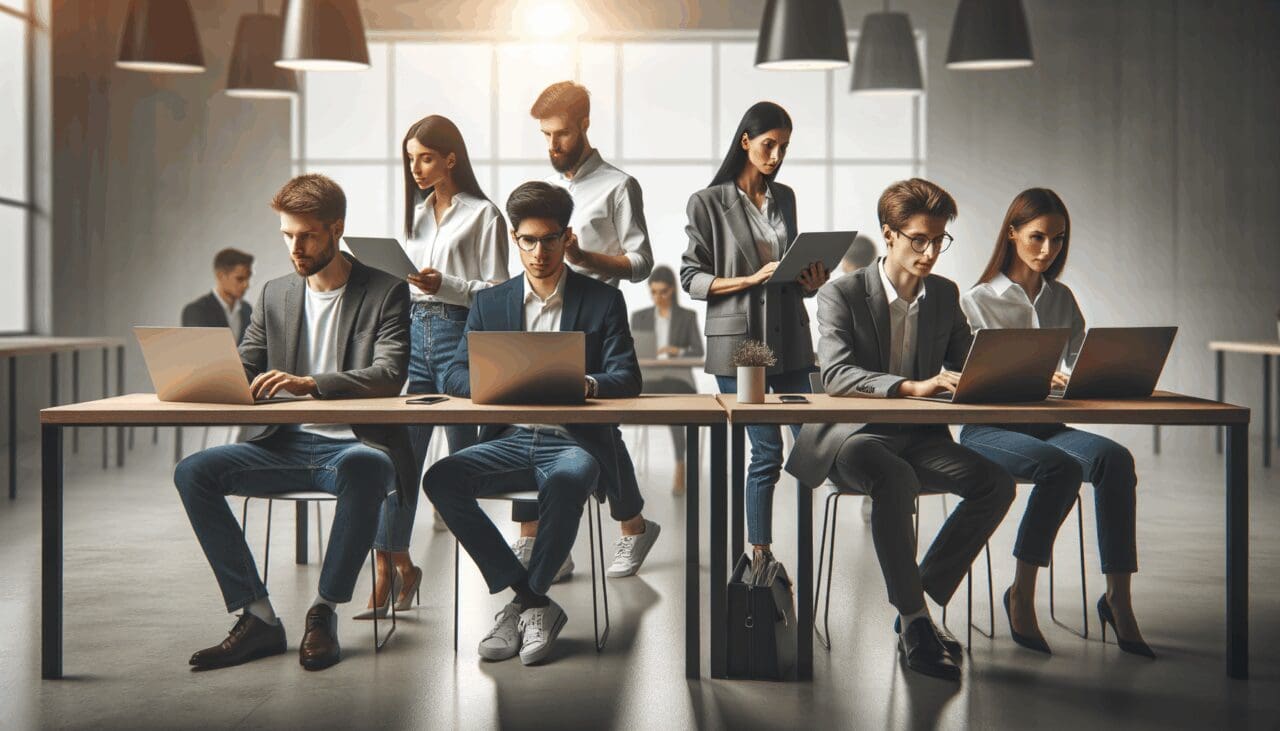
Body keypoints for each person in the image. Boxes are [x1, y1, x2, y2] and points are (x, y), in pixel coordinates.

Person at [173, 174, 414, 672]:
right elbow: (246, 364)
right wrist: (200, 376)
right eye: (287, 235)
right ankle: (258, 616)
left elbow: (389, 375)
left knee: (368, 467)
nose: (295, 248)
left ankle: (323, 612)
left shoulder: (385, 291)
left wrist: (310, 384)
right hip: (280, 446)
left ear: (336, 229)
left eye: (306, 236)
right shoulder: (274, 294)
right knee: (193, 472)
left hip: (353, 448)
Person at [784, 178, 1015, 682]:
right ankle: (914, 622)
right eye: (919, 240)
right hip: (852, 436)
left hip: (919, 437)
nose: (930, 252)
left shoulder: (944, 295)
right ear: (888, 234)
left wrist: (1022, 368)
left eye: (939, 240)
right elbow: (837, 374)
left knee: (995, 483)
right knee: (894, 479)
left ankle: (918, 600)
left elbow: (968, 361)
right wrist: (912, 386)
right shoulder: (841, 293)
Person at [425, 181, 642, 666]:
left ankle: (522, 606)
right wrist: (502, 380)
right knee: (440, 479)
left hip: (573, 444)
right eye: (528, 240)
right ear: (514, 239)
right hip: (509, 438)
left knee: (566, 481)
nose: (539, 252)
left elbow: (627, 376)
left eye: (549, 240)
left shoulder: (602, 300)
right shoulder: (490, 303)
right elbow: (454, 374)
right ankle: (533, 600)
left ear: (567, 238)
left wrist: (586, 383)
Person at [958, 188, 1151, 658]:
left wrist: (1096, 373)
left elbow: (1082, 363)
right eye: (1037, 237)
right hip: (989, 430)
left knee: (1115, 460)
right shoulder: (975, 301)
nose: (1048, 250)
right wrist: (1037, 375)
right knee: (1057, 468)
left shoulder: (1061, 299)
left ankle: (1118, 599)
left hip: (1048, 425)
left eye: (1058, 239)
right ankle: (1021, 593)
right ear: (1012, 234)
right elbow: (968, 380)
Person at [359, 115, 509, 620]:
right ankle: (391, 567)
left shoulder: (484, 215)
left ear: (450, 157)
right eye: (410, 159)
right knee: (399, 460)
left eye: (425, 157)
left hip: (458, 336)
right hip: (412, 334)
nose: (416, 168)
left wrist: (444, 284)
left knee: (463, 467)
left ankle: (502, 581)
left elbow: (498, 292)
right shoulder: (415, 217)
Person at [519, 80, 660, 580]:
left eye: (560, 133)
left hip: (595, 316)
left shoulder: (619, 185)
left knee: (593, 425)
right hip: (544, 316)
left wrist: (583, 257)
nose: (552, 144)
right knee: (529, 423)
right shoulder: (547, 190)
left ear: (583, 125)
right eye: (545, 135)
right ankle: (537, 539)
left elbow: (642, 262)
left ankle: (631, 527)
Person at [680, 101, 829, 567]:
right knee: (765, 451)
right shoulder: (708, 202)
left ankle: (811, 538)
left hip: (790, 336)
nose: (777, 155)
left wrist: (811, 282)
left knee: (815, 441)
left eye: (784, 147)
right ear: (745, 141)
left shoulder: (786, 197)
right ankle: (760, 552)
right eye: (769, 145)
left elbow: (790, 273)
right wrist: (747, 279)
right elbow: (691, 278)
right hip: (740, 344)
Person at [630, 265, 704, 495]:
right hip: (649, 378)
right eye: (653, 292)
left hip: (678, 378)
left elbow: (698, 351)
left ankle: (680, 465)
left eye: (663, 292)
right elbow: (631, 351)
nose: (658, 297)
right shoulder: (639, 317)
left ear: (672, 290)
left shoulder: (686, 316)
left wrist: (677, 351)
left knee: (675, 407)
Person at [181, 248, 255, 343]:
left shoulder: (247, 309)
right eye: (240, 279)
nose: (246, 285)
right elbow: (197, 349)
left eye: (248, 279)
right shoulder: (196, 311)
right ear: (220, 276)